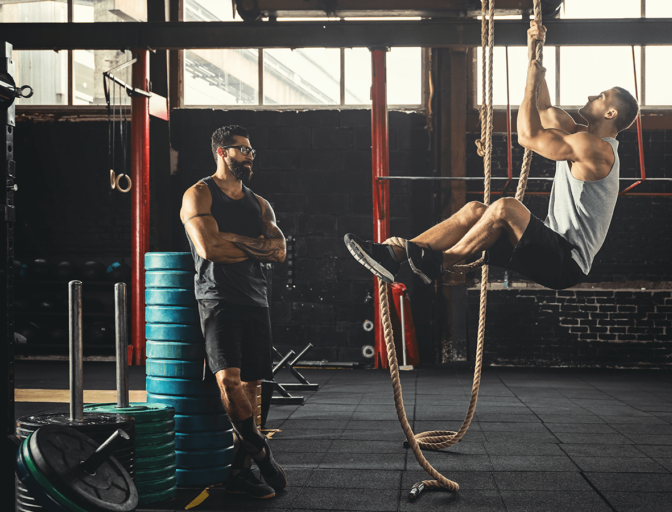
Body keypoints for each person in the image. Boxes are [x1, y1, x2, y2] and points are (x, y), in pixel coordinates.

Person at [344, 20, 638, 291]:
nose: (590, 97)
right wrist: (535, 50)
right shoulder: (580, 136)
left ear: (611, 114)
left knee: (507, 208)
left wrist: (529, 83)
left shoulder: (595, 149)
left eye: (600, 97)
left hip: (566, 262)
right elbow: (543, 107)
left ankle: (441, 262)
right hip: (549, 247)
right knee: (474, 210)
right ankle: (391, 255)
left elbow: (528, 137)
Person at [180, 125, 287, 498]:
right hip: (217, 298)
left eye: (252, 149)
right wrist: (253, 245)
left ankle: (240, 473)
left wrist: (233, 241)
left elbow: (279, 251)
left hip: (256, 299)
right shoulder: (199, 194)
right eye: (243, 150)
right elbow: (209, 249)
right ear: (222, 153)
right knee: (228, 380)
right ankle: (261, 451)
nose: (251, 155)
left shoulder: (260, 204)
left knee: (254, 388)